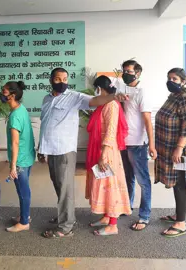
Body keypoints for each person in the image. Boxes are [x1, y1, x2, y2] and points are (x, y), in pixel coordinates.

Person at [38, 67, 128, 239]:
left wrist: (113, 97)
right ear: (51, 80)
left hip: (64, 150)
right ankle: (66, 216)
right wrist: (41, 149)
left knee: (65, 188)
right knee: (58, 185)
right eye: (58, 79)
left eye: (65, 79)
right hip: (49, 149)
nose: (63, 82)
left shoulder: (74, 97)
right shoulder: (46, 99)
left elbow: (95, 101)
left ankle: (65, 226)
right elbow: (45, 125)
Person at [85, 75, 132, 236]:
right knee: (103, 184)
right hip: (101, 148)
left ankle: (113, 224)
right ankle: (107, 216)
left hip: (107, 150)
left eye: (96, 88)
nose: (95, 92)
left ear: (100, 88)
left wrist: (104, 153)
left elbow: (111, 131)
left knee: (110, 185)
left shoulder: (111, 105)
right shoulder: (104, 103)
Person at [154, 68, 186, 237]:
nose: (171, 81)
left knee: (180, 183)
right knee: (176, 182)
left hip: (183, 149)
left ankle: (181, 223)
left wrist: (179, 148)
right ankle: (178, 215)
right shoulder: (174, 97)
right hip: (171, 148)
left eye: (175, 78)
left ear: (183, 81)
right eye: (169, 78)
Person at [117, 60, 156, 231]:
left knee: (143, 180)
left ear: (138, 73)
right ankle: (127, 206)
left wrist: (152, 145)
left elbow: (148, 121)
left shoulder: (142, 92)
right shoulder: (122, 89)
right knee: (127, 178)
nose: (126, 73)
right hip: (123, 142)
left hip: (138, 143)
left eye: (129, 71)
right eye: (124, 70)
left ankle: (144, 216)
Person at [0, 81, 35, 233]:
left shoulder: (15, 116)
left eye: (4, 92)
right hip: (27, 156)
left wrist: (13, 165)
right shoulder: (22, 110)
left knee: (23, 190)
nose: (1, 94)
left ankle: (24, 222)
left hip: (20, 159)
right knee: (24, 189)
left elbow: (15, 142)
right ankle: (25, 216)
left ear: (12, 95)